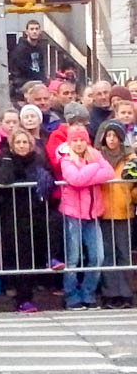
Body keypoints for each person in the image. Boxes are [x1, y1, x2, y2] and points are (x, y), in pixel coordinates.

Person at [56, 124, 114, 309]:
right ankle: (71, 296)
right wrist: (95, 166)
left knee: (97, 256)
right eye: (75, 140)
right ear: (70, 142)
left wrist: (89, 170)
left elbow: (110, 172)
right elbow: (76, 179)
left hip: (92, 214)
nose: (79, 143)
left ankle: (88, 293)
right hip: (73, 214)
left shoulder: (94, 155)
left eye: (82, 140)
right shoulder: (66, 160)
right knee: (73, 257)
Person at [0, 127, 54, 312]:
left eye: (25, 142)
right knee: (21, 258)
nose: (22, 146)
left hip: (35, 213)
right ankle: (23, 299)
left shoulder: (38, 160)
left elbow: (48, 182)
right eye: (18, 142)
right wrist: (6, 158)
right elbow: (5, 180)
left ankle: (31, 293)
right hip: (14, 215)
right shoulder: (8, 160)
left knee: (32, 255)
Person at [94, 120, 136, 309]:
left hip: (123, 211)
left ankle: (126, 293)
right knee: (107, 255)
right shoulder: (97, 157)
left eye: (115, 136)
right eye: (108, 135)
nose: (111, 140)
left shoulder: (131, 158)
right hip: (103, 211)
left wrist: (132, 196)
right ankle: (110, 293)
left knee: (124, 253)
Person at [9, 20, 45, 98]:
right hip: (22, 83)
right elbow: (22, 68)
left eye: (36, 29)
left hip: (37, 81)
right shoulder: (20, 49)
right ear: (27, 32)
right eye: (32, 29)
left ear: (40, 32)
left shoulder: (39, 48)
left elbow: (41, 67)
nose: (34, 31)